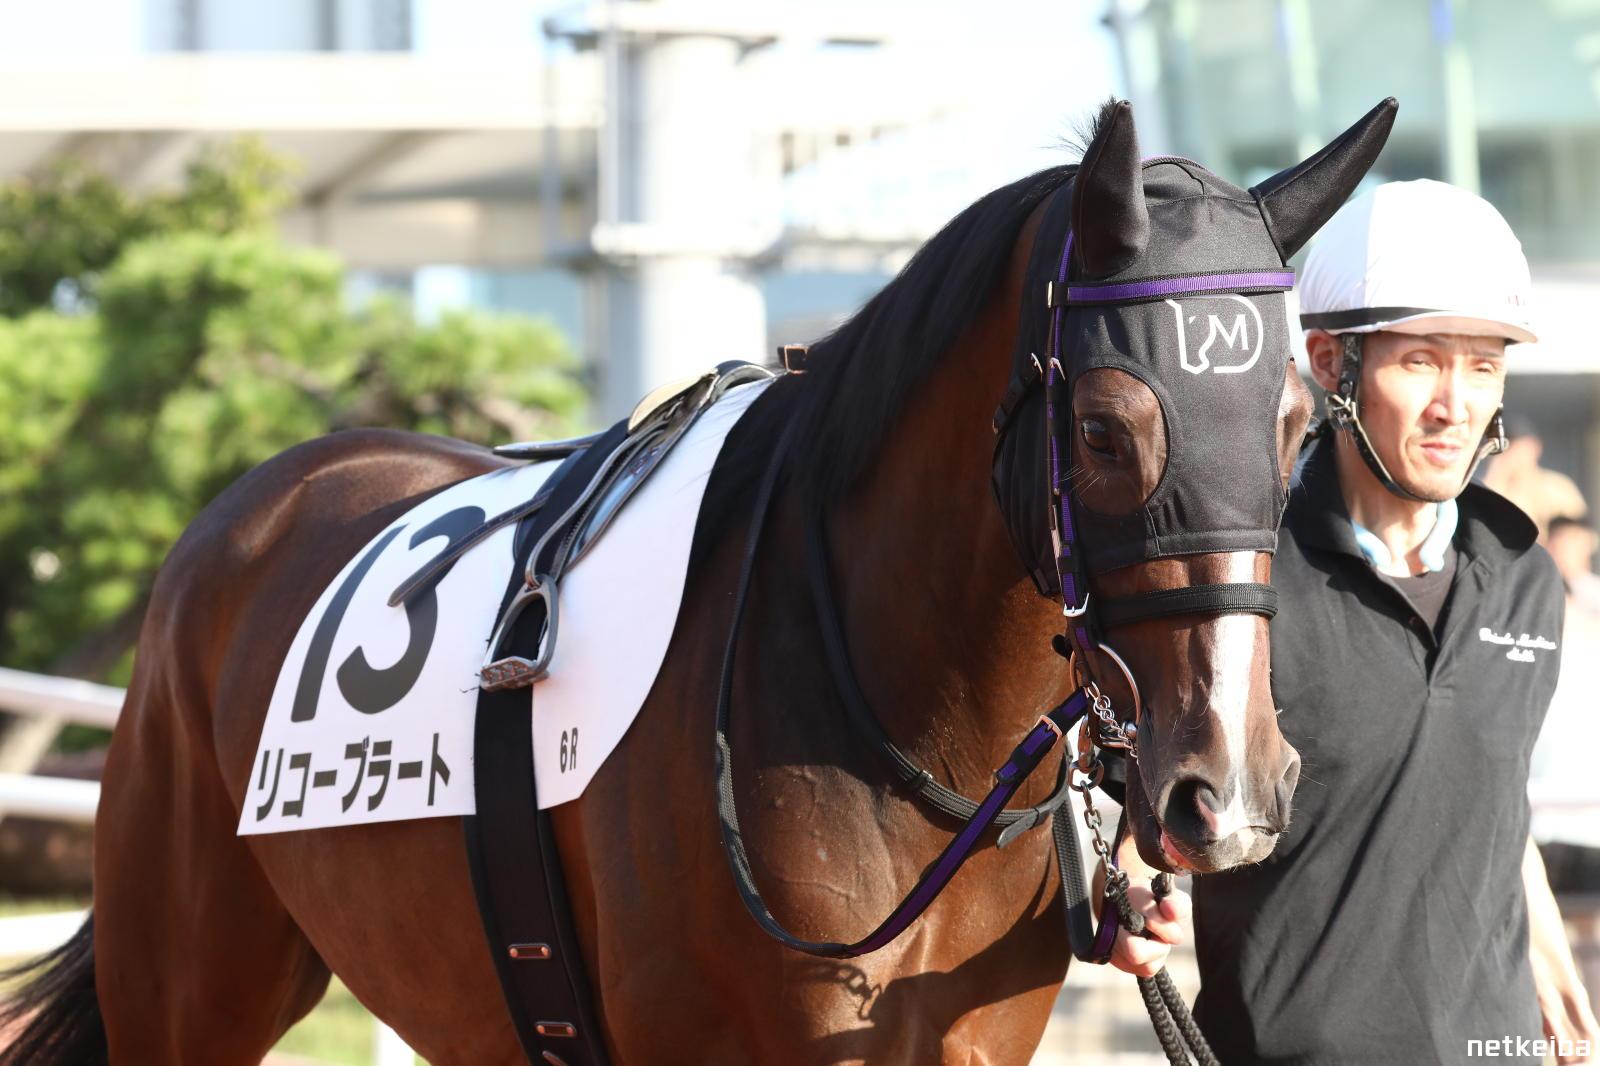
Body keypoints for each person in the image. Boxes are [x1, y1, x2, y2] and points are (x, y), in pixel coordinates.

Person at [1101, 179, 1600, 1065]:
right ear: (1331, 363)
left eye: (1483, 366)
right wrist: (1137, 897)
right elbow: (1158, 820)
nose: (1456, 404)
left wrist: (1555, 975)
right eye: (1422, 362)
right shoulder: (1247, 585)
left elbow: (1489, 801)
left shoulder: (1524, 580)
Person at [1483, 417, 1588, 542]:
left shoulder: (1557, 486)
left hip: (1548, 553)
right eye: (1507, 448)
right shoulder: (1498, 487)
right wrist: (1496, 472)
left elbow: (1582, 535)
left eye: (1519, 448)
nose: (1514, 455)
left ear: (1535, 447)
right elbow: (1481, 525)